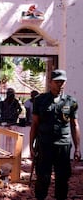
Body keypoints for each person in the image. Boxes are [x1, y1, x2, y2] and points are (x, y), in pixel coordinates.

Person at [30, 69, 81, 200]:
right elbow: (35, 125)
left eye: (62, 82)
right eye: (57, 81)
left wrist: (77, 148)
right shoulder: (40, 100)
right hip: (44, 145)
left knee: (62, 179)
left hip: (63, 146)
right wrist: (31, 146)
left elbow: (74, 125)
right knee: (43, 177)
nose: (60, 84)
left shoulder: (71, 102)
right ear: (50, 82)